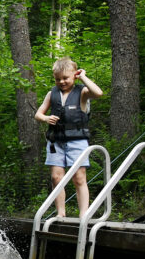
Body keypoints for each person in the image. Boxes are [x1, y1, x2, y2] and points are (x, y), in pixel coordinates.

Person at [34, 57, 104, 217]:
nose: (62, 82)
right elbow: (38, 114)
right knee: (56, 178)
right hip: (56, 141)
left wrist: (83, 77)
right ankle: (61, 213)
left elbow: (98, 93)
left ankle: (84, 214)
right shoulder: (52, 93)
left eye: (65, 78)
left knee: (79, 177)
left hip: (77, 141)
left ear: (74, 75)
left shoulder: (82, 92)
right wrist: (46, 118)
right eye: (58, 79)